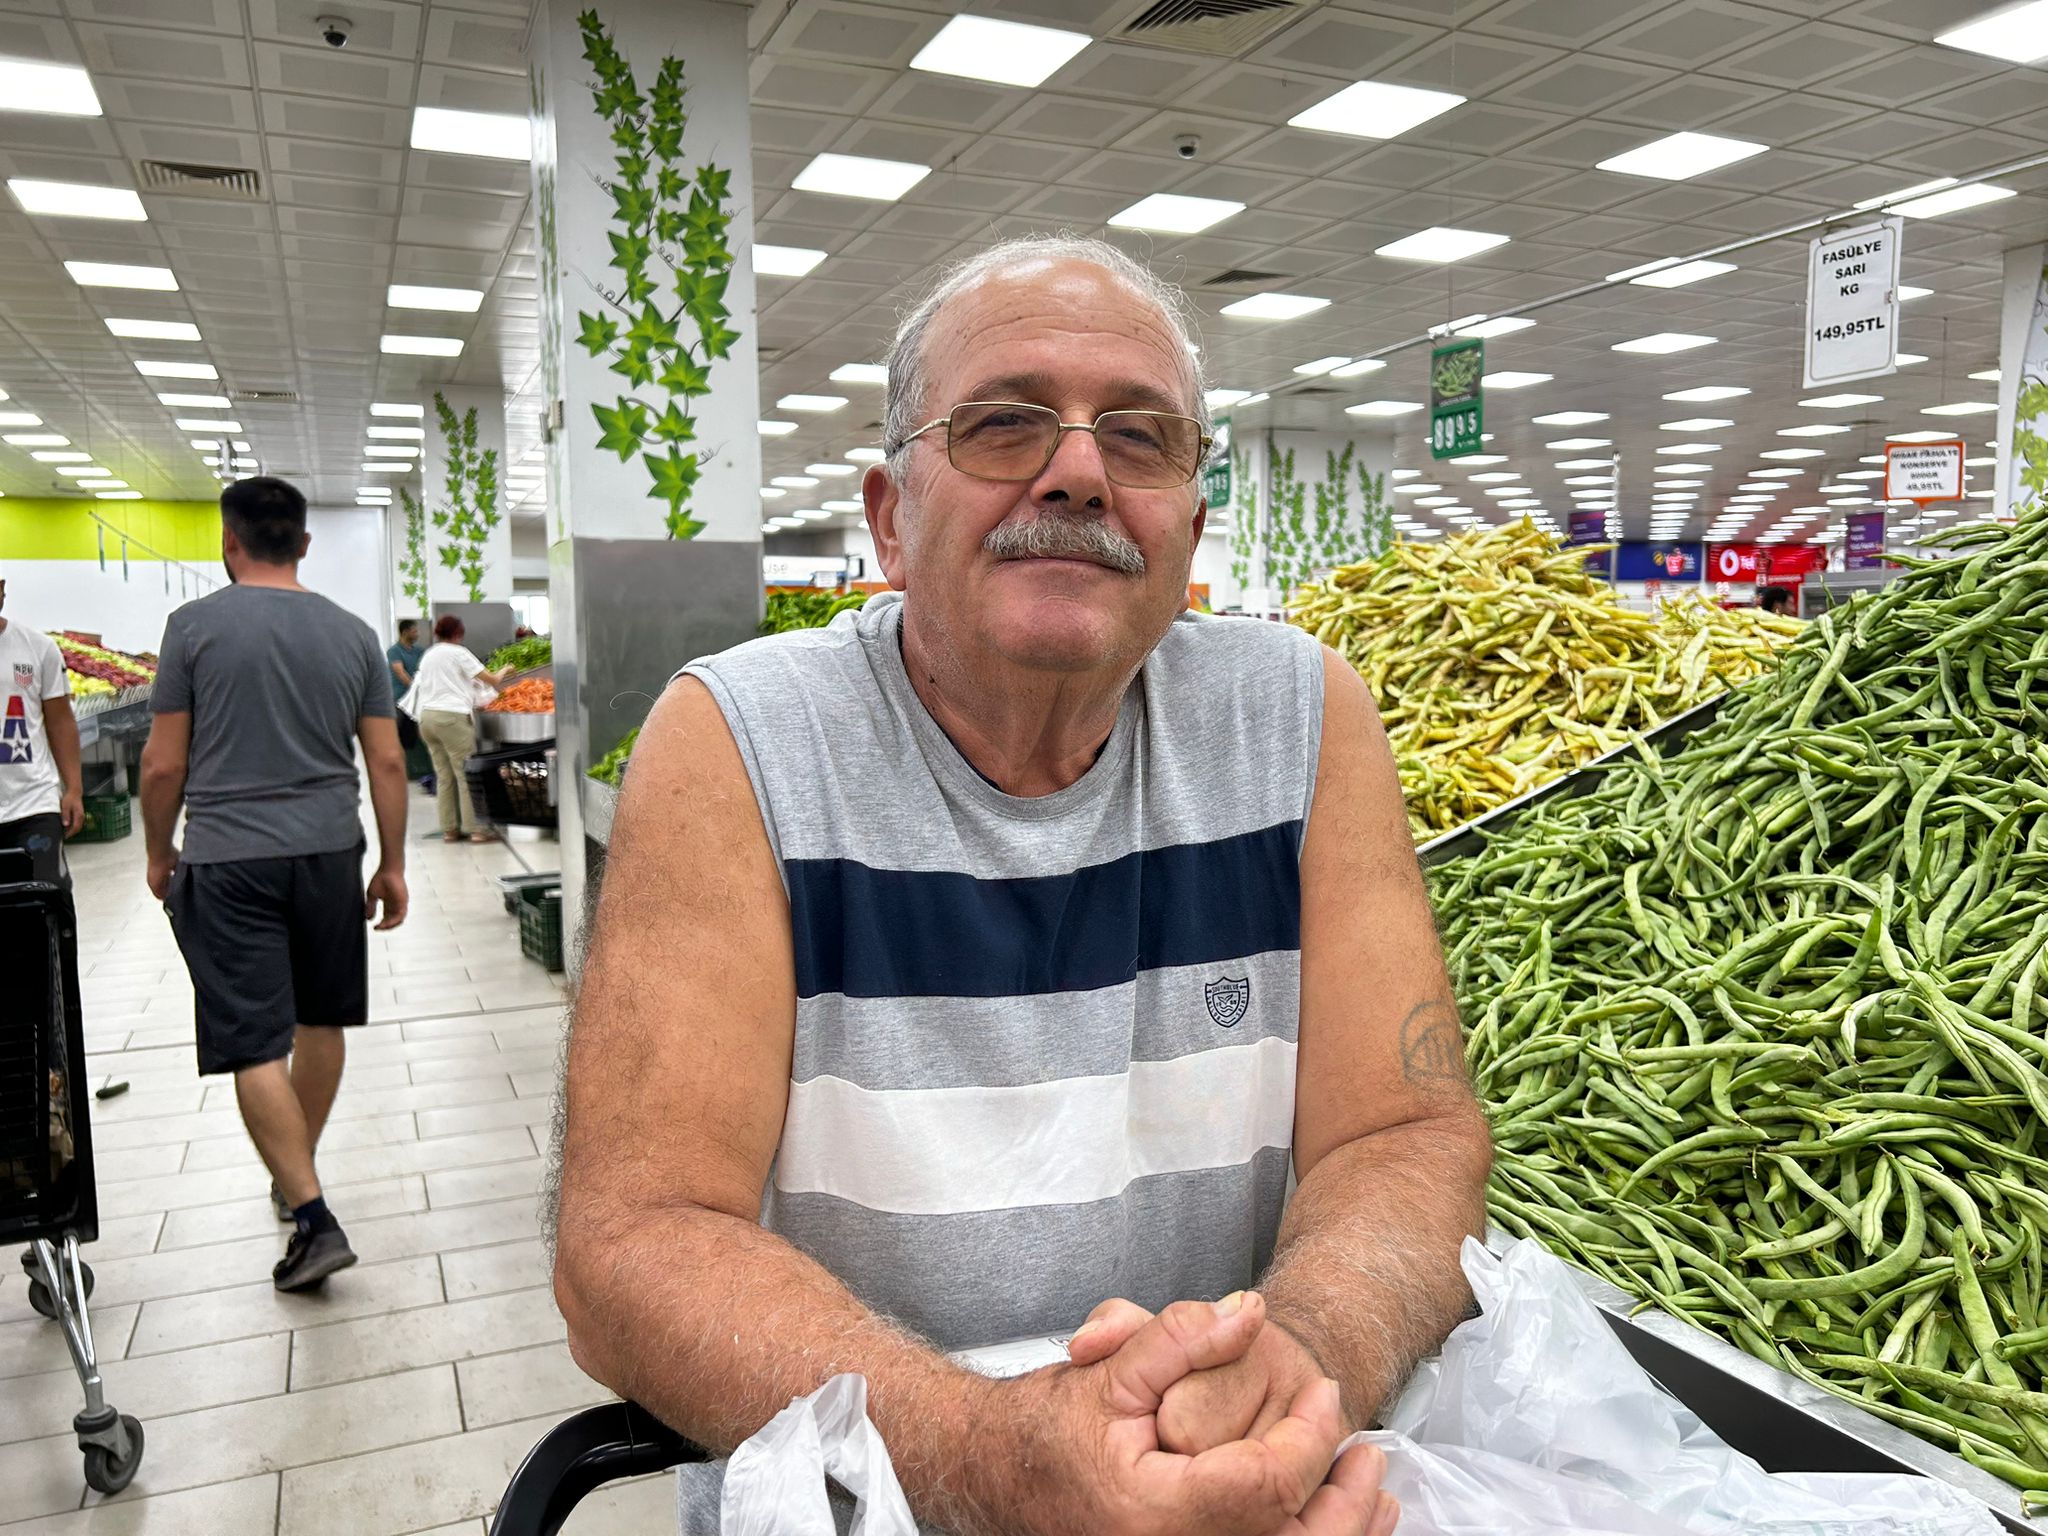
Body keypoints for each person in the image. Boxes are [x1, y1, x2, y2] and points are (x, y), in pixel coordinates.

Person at [555, 236, 1492, 1535]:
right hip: (882, 1491)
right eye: (1004, 424)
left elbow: (1406, 1130)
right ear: (890, 517)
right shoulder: (741, 745)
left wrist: (1292, 1372)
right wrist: (1005, 1461)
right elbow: (635, 1241)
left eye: (1143, 438)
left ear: (1191, 528)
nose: (1080, 471)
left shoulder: (1301, 722)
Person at [140, 477, 410, 1292]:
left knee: (253, 1039)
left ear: (228, 540)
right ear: (302, 543)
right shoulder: (354, 634)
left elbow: (162, 764)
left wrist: (159, 853)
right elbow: (388, 760)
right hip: (329, 852)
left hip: (227, 859)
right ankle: (296, 1177)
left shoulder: (192, 629)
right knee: (320, 1020)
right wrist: (392, 863)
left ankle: (312, 1213)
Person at [0, 575, 85, 885]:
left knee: (46, 899)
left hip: (33, 803)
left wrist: (73, 788)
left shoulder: (38, 648)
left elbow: (60, 721)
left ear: (2, 588)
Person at [407, 616, 511, 843]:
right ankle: (476, 829)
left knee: (444, 776)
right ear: (459, 633)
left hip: (426, 719)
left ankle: (450, 829)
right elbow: (492, 680)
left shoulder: (429, 655)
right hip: (451, 717)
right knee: (466, 774)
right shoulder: (459, 653)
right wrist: (506, 669)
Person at [387, 618, 433, 788]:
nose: (417, 634)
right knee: (400, 736)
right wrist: (416, 689)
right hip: (400, 701)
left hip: (419, 701)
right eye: (414, 630)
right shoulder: (394, 651)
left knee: (420, 736)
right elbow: (400, 673)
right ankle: (401, 772)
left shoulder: (419, 651)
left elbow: (426, 670)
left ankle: (423, 772)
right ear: (405, 632)